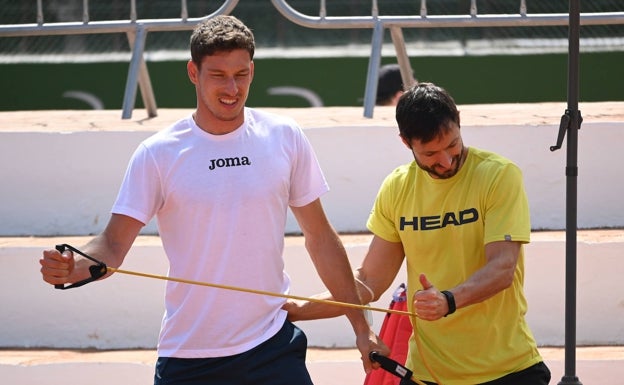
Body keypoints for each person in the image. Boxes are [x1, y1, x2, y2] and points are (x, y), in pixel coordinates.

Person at [39, 15, 388, 385]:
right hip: (190, 359)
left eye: (241, 74)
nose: (232, 88)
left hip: (272, 346)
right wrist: (77, 265)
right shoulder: (157, 153)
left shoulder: (284, 136)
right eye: (218, 75)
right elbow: (112, 243)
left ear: (252, 71)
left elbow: (320, 237)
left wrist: (361, 327)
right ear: (193, 72)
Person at [285, 82, 551, 385]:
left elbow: (503, 268)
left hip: (509, 372)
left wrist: (449, 300)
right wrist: (298, 309)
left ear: (459, 122)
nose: (447, 161)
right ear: (405, 142)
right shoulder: (397, 188)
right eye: (431, 153)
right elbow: (370, 281)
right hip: (427, 376)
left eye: (453, 144)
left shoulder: (499, 175)